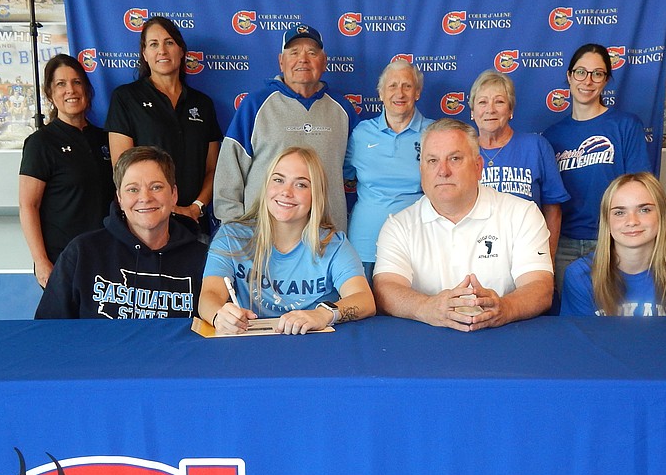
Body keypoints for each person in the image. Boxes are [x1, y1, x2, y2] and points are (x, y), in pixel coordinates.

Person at [373, 119, 554, 331]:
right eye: (432, 161)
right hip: (426, 347)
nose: (443, 171)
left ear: (478, 167)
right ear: (421, 169)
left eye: (455, 158)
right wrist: (427, 307)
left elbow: (540, 287)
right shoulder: (398, 225)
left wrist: (506, 308)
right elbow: (385, 288)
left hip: (503, 343)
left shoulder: (522, 214)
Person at [200, 146, 373, 335]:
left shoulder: (334, 245)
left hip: (312, 346)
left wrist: (323, 314)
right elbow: (209, 296)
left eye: (301, 184)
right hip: (249, 345)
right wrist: (219, 316)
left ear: (317, 194)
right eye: (278, 180)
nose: (286, 192)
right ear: (266, 185)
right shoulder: (231, 237)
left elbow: (363, 299)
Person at [36, 146, 207, 320]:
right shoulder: (82, 253)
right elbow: (48, 331)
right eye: (133, 189)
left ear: (173, 195)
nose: (145, 198)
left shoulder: (204, 261)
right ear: (120, 198)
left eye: (156, 187)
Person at [214, 24, 357, 231]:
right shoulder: (255, 105)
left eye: (312, 53)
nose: (303, 59)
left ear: (324, 62)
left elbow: (363, 169)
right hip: (264, 237)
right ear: (281, 61)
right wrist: (236, 229)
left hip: (325, 237)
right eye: (294, 52)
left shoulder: (343, 109)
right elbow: (229, 169)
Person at [542, 43, 653, 287]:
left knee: (611, 316)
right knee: (570, 317)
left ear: (606, 80)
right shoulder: (551, 136)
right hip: (565, 244)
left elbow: (641, 189)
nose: (587, 81)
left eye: (597, 74)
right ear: (569, 77)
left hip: (612, 241)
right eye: (581, 72)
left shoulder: (626, 126)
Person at [105, 16, 222, 235]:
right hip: (145, 224)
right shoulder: (126, 98)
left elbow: (213, 168)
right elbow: (122, 170)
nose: (162, 50)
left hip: (193, 224)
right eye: (153, 44)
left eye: (169, 42)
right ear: (145, 54)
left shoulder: (202, 104)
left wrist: (195, 208)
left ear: (181, 51)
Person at [561, 173, 666, 317]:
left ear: (662, 215)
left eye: (644, 210)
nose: (632, 221)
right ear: (607, 221)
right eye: (619, 212)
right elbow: (579, 344)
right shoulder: (581, 275)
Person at [18, 54, 113, 288]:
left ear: (87, 90)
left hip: (107, 258)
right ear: (50, 93)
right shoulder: (41, 143)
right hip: (63, 261)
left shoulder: (107, 139)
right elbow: (28, 206)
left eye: (77, 82)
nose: (70, 90)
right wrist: (41, 262)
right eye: (61, 84)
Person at [342, 59, 431, 279]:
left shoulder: (434, 132)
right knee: (364, 310)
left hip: (418, 242)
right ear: (381, 94)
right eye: (392, 86)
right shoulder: (361, 133)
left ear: (417, 93)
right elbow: (340, 175)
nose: (399, 93)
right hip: (365, 243)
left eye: (407, 86)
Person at [468, 70, 568, 262]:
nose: (490, 109)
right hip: (475, 256)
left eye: (499, 101)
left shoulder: (536, 146)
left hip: (528, 254)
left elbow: (552, 209)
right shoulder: (462, 152)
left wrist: (547, 258)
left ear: (511, 110)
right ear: (472, 111)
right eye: (482, 102)